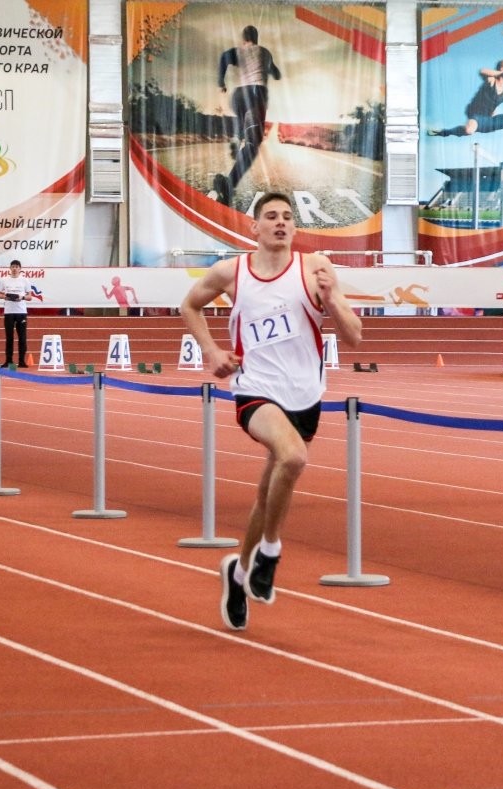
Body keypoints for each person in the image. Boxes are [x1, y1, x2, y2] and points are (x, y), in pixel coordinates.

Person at [180, 192, 362, 631]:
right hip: (255, 390)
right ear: (254, 227)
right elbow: (189, 305)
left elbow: (354, 335)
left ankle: (239, 571)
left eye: (286, 217)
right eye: (271, 216)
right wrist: (211, 351)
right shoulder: (232, 272)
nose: (280, 223)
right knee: (293, 458)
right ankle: (271, 551)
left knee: (268, 494)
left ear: (294, 228)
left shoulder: (315, 268)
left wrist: (331, 299)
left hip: (305, 394)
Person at [212, 25, 282, 205]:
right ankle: (229, 185)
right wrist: (272, 70)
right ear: (256, 38)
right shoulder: (265, 52)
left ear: (244, 39)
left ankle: (237, 138)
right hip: (255, 95)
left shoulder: (239, 51)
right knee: (252, 144)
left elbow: (224, 57)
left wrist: (221, 81)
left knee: (245, 123)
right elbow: (276, 74)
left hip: (238, 97)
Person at [427, 59, 503, 142]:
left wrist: (493, 117)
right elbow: (482, 71)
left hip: (489, 121)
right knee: (469, 130)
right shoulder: (491, 80)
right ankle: (445, 132)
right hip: (476, 117)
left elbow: (493, 106)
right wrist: (502, 73)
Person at [0, 259, 36, 367]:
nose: (14, 269)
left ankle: (21, 361)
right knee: (9, 337)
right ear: (10, 268)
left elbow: (30, 296)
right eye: (13, 267)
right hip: (9, 312)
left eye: (16, 267)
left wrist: (22, 297)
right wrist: (7, 297)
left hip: (21, 311)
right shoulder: (4, 280)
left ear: (20, 269)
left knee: (22, 337)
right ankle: (8, 361)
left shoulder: (25, 280)